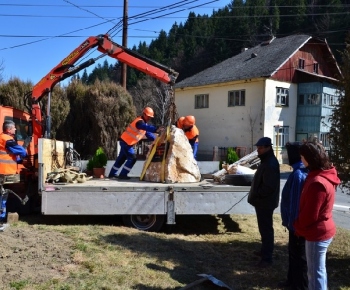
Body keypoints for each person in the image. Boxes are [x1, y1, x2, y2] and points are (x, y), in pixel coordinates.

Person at [294, 142, 340, 290]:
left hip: (317, 233)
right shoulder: (323, 174)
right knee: (319, 271)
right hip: (322, 229)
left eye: (302, 157)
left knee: (314, 273)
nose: (301, 160)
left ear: (309, 158)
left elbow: (309, 216)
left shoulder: (317, 182)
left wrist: (297, 226)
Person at [247, 137, 280, 268]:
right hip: (263, 202)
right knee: (264, 228)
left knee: (266, 230)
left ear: (268, 148)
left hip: (265, 203)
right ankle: (264, 251)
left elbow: (268, 187)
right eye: (258, 148)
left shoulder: (270, 163)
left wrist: (257, 194)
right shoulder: (266, 160)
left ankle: (267, 258)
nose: (258, 150)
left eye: (260, 148)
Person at [279, 142, 308, 289]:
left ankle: (299, 285)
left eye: (286, 153)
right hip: (293, 224)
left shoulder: (298, 174)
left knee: (299, 257)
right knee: (293, 255)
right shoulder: (297, 171)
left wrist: (293, 225)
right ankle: (291, 281)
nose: (284, 156)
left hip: (296, 226)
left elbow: (296, 203)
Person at [108, 107, 163, 180]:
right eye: (148, 116)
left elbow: (149, 135)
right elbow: (144, 127)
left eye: (150, 117)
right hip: (126, 142)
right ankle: (123, 175)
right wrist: (156, 129)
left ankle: (112, 174)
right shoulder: (139, 122)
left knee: (121, 158)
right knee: (132, 158)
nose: (149, 118)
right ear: (144, 114)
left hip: (126, 142)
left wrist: (158, 139)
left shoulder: (144, 125)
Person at [0, 120, 27, 231]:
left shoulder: (3, 138)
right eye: (14, 128)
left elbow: (12, 154)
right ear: (8, 129)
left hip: (3, 172)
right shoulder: (7, 139)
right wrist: (24, 154)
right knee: (2, 196)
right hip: (3, 172)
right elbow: (21, 151)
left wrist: (18, 159)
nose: (15, 129)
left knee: (3, 195)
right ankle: (0, 222)